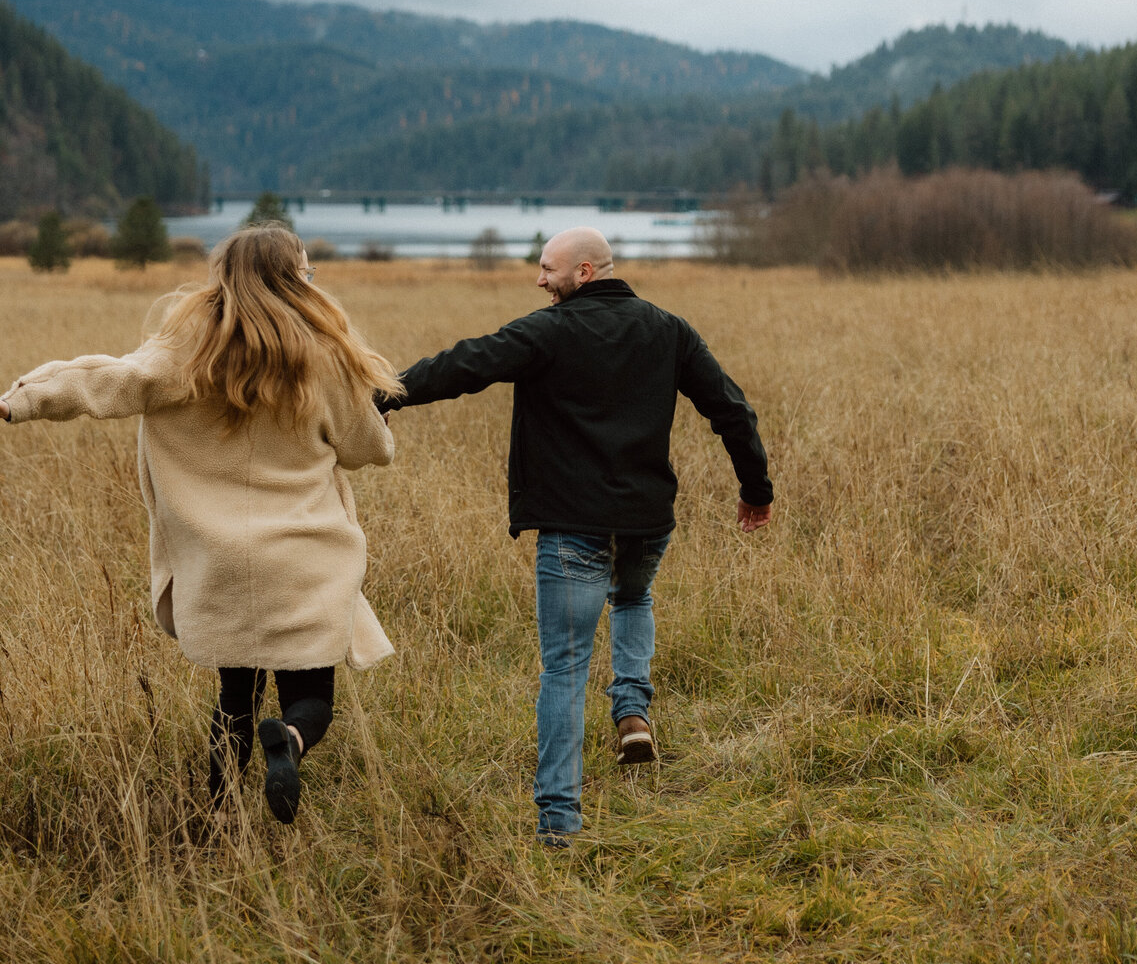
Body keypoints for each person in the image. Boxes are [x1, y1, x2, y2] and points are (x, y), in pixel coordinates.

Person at [377, 225, 772, 845]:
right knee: (634, 597)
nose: (539, 280)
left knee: (564, 668)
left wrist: (386, 394)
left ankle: (559, 821)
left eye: (547, 269)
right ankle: (633, 711)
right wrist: (756, 489)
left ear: (586, 272)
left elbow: (466, 363)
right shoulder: (669, 330)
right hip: (646, 522)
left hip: (571, 530)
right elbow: (731, 408)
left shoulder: (549, 332)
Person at [0, 222, 396, 824]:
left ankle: (215, 817)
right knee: (311, 699)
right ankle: (288, 742)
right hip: (306, 558)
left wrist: (22, 399)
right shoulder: (324, 359)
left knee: (234, 700)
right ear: (296, 281)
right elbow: (371, 448)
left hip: (223, 560)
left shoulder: (186, 354)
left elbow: (107, 379)